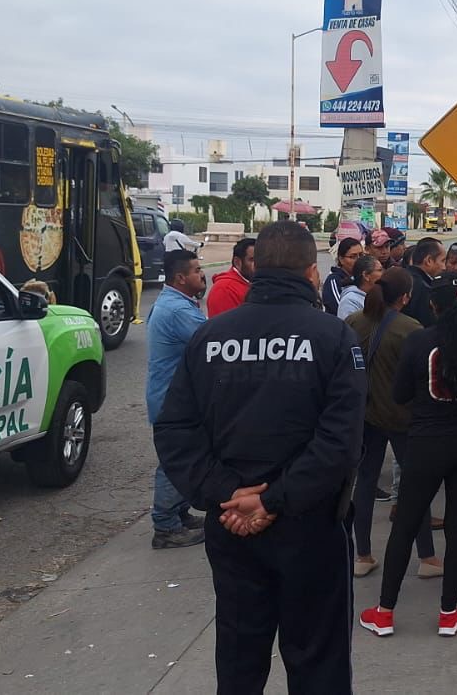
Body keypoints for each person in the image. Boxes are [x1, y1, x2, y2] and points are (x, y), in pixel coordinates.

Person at [153, 221, 364, 693]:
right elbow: (342, 443)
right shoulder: (331, 338)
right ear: (313, 272)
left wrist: (225, 493)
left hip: (232, 526)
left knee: (239, 656)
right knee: (318, 660)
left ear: (257, 267)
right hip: (309, 524)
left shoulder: (211, 337)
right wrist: (274, 500)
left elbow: (174, 430)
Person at [358, 276, 457, 639]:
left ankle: (384, 613)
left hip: (425, 444)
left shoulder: (419, 340)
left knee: (406, 525)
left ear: (433, 306)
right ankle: (448, 613)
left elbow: (399, 395)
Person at [346, 268, 441, 580]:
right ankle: (427, 557)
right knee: (416, 486)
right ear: (405, 296)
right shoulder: (410, 328)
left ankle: (362, 555)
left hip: (365, 416)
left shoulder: (355, 321)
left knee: (364, 483)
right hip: (403, 418)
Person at [145, 249, 209, 549]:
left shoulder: (176, 302)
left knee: (184, 457)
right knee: (175, 460)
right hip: (173, 400)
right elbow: (209, 340)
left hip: (173, 396)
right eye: (197, 270)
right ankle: (166, 526)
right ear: (181, 278)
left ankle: (179, 511)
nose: (202, 274)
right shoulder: (177, 310)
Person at [205, 237, 256, 317]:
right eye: (252, 260)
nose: (257, 264)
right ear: (237, 262)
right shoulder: (225, 290)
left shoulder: (253, 283)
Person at [403, 237, 444, 326]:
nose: (444, 267)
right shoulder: (424, 290)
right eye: (442, 261)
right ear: (429, 261)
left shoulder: (403, 276)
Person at [323, 237, 362, 315]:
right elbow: (340, 309)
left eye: (361, 255)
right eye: (353, 257)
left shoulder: (363, 277)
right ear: (341, 259)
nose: (358, 260)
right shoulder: (333, 280)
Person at [336, 254, 382, 320]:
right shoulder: (350, 302)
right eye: (379, 270)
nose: (383, 273)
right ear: (366, 275)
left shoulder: (378, 295)